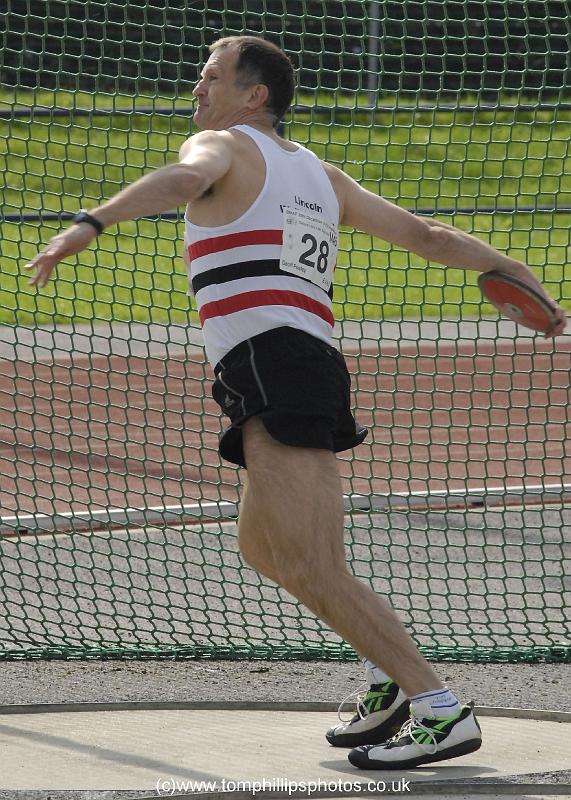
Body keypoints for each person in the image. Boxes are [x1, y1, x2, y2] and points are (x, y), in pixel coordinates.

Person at [27, 35, 567, 770]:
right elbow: (427, 236)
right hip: (294, 365)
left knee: (313, 565)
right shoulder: (320, 173)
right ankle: (388, 677)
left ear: (254, 96)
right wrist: (510, 266)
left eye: (212, 75)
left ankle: (439, 709)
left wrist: (89, 223)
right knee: (265, 549)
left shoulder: (222, 145)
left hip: (273, 364)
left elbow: (185, 179)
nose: (197, 87)